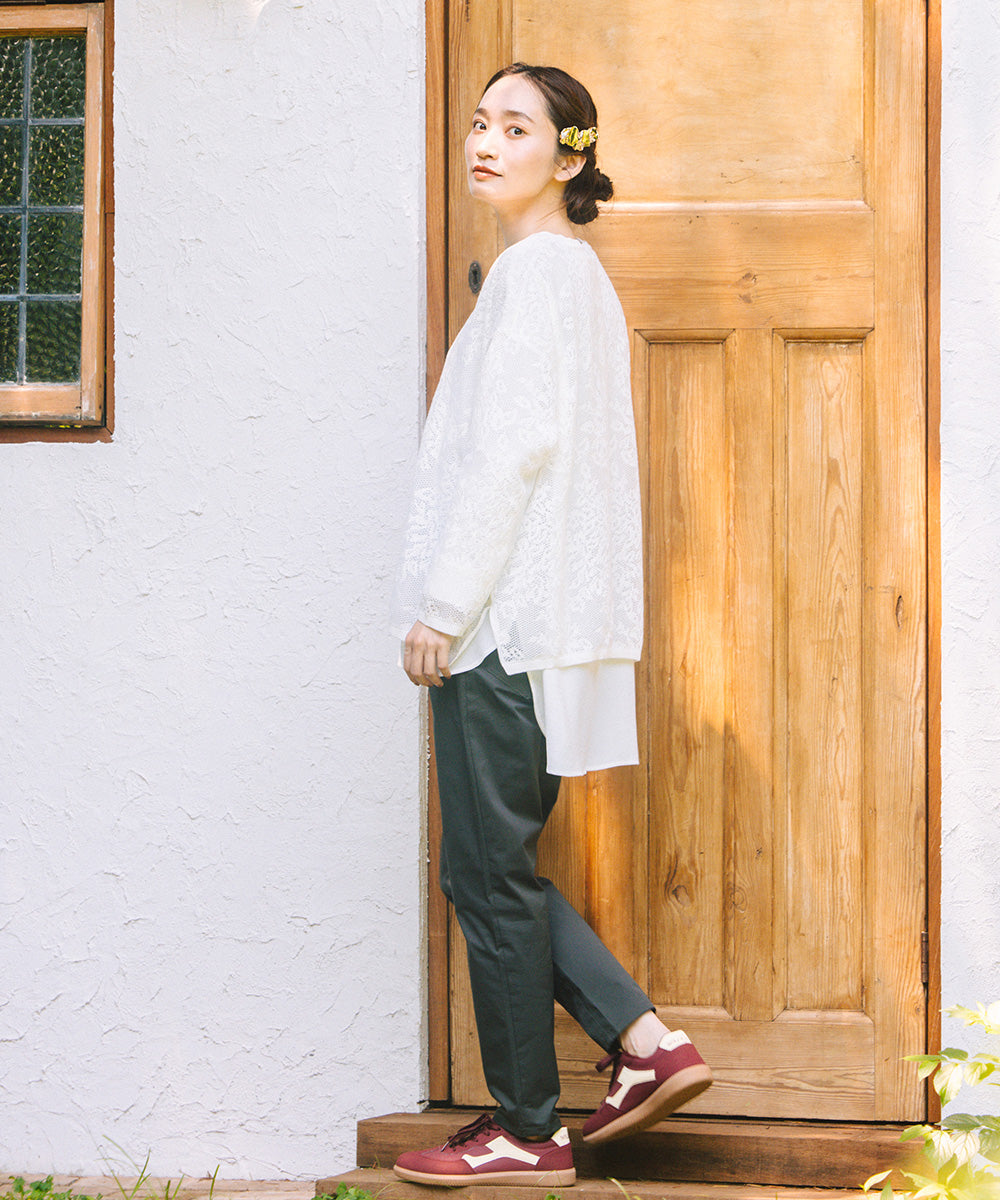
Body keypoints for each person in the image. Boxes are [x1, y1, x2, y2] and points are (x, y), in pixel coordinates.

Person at [389, 63, 712, 1188]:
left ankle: (527, 1130)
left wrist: (444, 605)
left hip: (503, 628)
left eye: (515, 127)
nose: (485, 141)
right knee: (491, 869)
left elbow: (511, 452)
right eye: (479, 122)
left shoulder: (536, 274)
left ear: (568, 156)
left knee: (488, 876)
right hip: (537, 623)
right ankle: (643, 1043)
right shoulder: (565, 275)